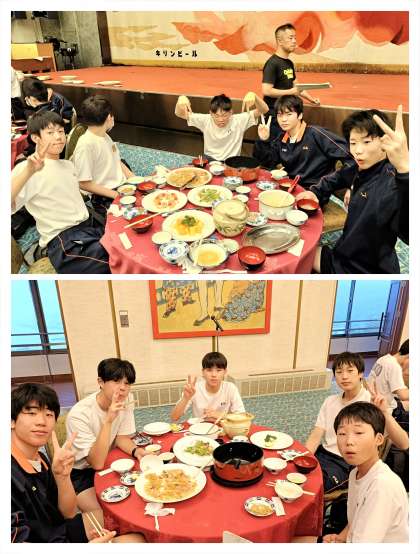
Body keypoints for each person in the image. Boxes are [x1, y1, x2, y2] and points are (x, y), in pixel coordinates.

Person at [304, 104, 409, 273]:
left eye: (366, 142)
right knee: (302, 248)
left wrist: (405, 171)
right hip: (344, 253)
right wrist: (315, 192)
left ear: (385, 141)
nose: (358, 151)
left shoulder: (392, 182)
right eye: (353, 143)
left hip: (363, 269)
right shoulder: (361, 168)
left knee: (299, 256)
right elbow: (336, 178)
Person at [11, 383, 115, 543]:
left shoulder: (40, 459)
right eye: (31, 413)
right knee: (134, 540)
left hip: (57, 530)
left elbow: (69, 513)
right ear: (11, 421)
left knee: (115, 518)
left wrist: (62, 477)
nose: (42, 421)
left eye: (49, 414)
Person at [11, 111, 110, 274]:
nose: (58, 137)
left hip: (89, 226)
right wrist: (28, 172)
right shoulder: (27, 169)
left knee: (125, 245)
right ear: (35, 138)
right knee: (116, 262)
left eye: (61, 131)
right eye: (50, 133)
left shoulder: (67, 165)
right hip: (65, 240)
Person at [306, 352, 408, 492]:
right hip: (323, 453)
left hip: (346, 461)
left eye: (350, 371)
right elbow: (316, 434)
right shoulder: (330, 401)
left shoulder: (371, 402)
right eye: (339, 372)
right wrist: (304, 457)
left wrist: (384, 412)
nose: (344, 376)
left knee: (313, 486)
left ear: (360, 373)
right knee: (295, 474)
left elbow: (403, 443)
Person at [66, 358, 145, 512]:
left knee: (138, 498)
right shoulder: (79, 414)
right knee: (106, 513)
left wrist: (136, 451)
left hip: (110, 460)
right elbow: (96, 463)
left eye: (127, 383)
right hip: (82, 472)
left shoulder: (126, 399)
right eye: (116, 381)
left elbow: (122, 438)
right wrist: (108, 420)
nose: (123, 388)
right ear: (100, 382)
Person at [323, 402, 408, 543]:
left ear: (378, 439)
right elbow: (356, 518)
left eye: (358, 433)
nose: (349, 441)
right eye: (342, 433)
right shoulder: (356, 473)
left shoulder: (382, 486)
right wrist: (341, 538)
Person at [253, 94, 354, 187]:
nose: (283, 119)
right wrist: (264, 140)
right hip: (291, 187)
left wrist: (350, 185)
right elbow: (267, 163)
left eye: (288, 114)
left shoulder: (316, 133)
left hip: (318, 190)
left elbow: (350, 155)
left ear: (300, 115)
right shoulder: (281, 138)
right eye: (280, 115)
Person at [71, 95, 134, 217]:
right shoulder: (86, 145)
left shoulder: (104, 135)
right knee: (129, 218)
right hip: (103, 194)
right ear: (109, 117)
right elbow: (83, 183)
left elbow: (117, 161)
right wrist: (116, 195)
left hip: (121, 185)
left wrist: (134, 179)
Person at [262, 23, 320, 136]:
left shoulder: (289, 63)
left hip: (287, 112)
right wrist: (291, 92)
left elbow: (296, 87)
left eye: (295, 38)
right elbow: (267, 90)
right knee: (275, 144)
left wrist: (311, 99)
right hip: (275, 115)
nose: (294, 41)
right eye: (290, 38)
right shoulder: (272, 63)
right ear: (280, 41)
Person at [175, 92, 269, 161]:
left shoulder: (239, 120)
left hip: (232, 162)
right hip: (209, 159)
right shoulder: (205, 120)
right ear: (211, 113)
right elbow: (179, 113)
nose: (221, 119)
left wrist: (254, 96)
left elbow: (264, 109)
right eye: (216, 116)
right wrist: (180, 99)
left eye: (224, 115)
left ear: (231, 112)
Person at [171, 352, 245, 421]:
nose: (214, 375)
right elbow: (174, 417)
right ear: (203, 372)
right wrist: (185, 398)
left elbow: (242, 416)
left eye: (218, 370)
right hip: (200, 428)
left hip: (223, 427)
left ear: (225, 372)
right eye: (209, 370)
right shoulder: (194, 389)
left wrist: (220, 415)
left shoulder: (230, 388)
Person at [20, 77, 74, 157]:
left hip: (47, 153)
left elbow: (31, 141)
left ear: (31, 98)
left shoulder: (37, 116)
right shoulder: (56, 99)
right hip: (62, 145)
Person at [367, 339, 409, 412]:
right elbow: (403, 395)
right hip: (384, 408)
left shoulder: (384, 358)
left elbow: (396, 388)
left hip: (372, 401)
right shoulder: (394, 366)